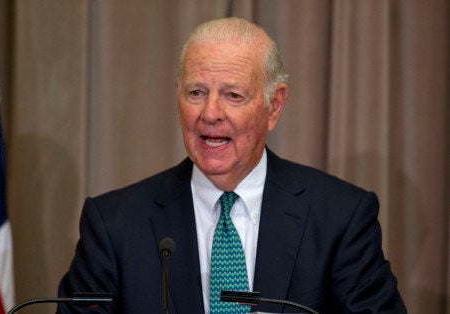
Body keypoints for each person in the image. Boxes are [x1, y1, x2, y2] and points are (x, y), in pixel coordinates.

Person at [57, 17, 406, 313]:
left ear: (274, 106)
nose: (210, 114)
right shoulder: (113, 225)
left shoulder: (340, 218)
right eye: (196, 93)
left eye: (233, 95)